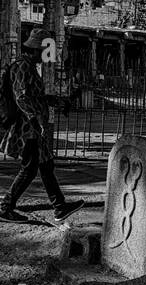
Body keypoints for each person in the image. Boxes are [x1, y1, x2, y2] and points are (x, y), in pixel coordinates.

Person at [0, 29, 84, 221]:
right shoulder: (21, 66)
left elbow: (34, 96)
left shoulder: (29, 67)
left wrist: (56, 100)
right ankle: (5, 208)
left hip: (34, 128)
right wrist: (36, 118)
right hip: (27, 128)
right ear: (37, 49)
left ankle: (60, 206)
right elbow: (21, 98)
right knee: (30, 168)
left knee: (46, 165)